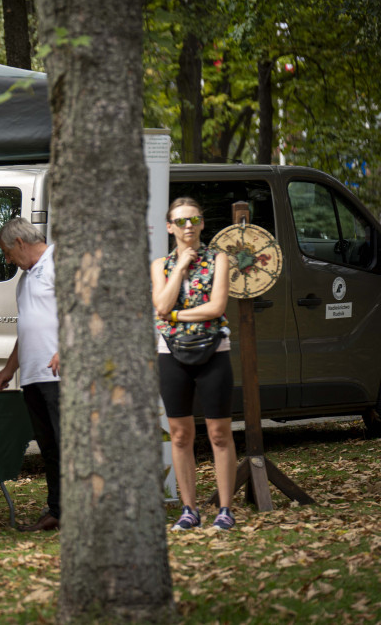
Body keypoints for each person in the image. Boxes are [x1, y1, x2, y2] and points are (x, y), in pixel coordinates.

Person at [151, 197, 237, 531]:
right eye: (181, 221)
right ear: (170, 227)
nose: (189, 226)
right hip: (170, 353)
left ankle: (225, 510)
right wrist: (182, 267)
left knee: (218, 432)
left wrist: (174, 315)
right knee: (180, 434)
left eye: (194, 220)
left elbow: (216, 308)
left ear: (202, 224)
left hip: (214, 350)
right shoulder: (160, 265)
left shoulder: (219, 260)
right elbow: (160, 303)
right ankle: (189, 509)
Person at [0, 217, 61, 532]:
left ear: (19, 243)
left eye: (6, 252)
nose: (7, 260)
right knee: (50, 447)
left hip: (59, 375)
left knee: (68, 444)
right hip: (32, 375)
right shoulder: (25, 278)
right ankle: (58, 510)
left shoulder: (60, 262)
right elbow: (27, 325)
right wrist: (9, 367)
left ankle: (84, 513)